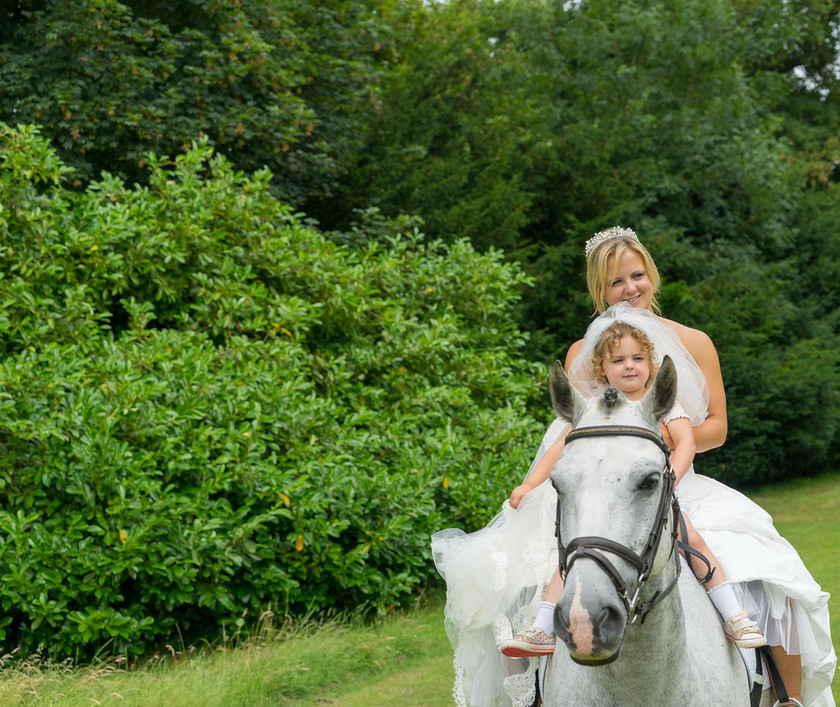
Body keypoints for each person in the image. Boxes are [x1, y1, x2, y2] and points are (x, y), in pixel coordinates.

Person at [431, 227, 836, 707]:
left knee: (770, 569)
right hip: (600, 491)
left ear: (652, 275)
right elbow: (576, 434)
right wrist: (539, 479)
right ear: (599, 290)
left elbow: (718, 427)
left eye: (636, 275)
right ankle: (532, 693)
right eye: (615, 282)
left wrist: (656, 441)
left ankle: (785, 695)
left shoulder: (695, 342)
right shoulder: (583, 353)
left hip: (673, 481)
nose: (629, 289)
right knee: (519, 581)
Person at [498, 320, 766, 658]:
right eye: (618, 360)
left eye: (638, 358)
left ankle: (733, 615)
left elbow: (686, 443)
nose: (629, 366)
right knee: (574, 554)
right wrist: (530, 483)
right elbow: (559, 446)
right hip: (605, 501)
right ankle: (543, 626)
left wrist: (670, 479)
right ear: (602, 371)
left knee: (693, 541)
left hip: (654, 495)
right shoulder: (597, 409)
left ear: (650, 364)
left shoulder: (662, 405)